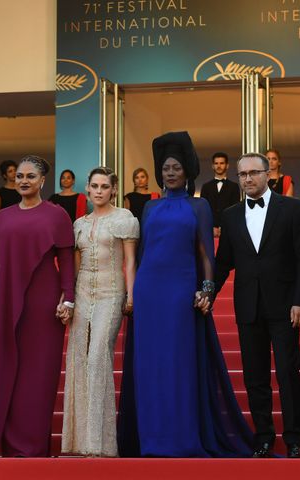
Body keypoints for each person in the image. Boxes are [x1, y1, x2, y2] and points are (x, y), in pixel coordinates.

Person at [117, 131, 253, 458]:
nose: (171, 172)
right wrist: (133, 293)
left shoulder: (200, 206)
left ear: (187, 171)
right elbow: (142, 253)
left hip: (181, 292)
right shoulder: (148, 208)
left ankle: (180, 436)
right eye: (165, 168)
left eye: (176, 167)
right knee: (150, 367)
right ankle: (149, 439)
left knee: (178, 364)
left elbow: (207, 253)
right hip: (149, 293)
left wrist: (207, 290)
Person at [0, 155, 75, 457]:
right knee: (6, 370)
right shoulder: (4, 217)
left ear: (42, 180)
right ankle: (7, 444)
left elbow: (66, 261)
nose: (24, 181)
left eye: (31, 176)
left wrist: (69, 296)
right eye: (20, 176)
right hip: (6, 301)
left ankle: (33, 446)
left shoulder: (57, 215)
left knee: (38, 376)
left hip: (43, 305)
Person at [215, 152, 300, 459]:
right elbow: (223, 263)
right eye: (242, 175)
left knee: (287, 372)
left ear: (268, 174)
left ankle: (295, 439)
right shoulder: (230, 215)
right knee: (254, 377)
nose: (247, 179)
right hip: (248, 306)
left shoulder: (292, 208)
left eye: (253, 173)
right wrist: (207, 291)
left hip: (285, 306)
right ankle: (264, 437)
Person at [62, 167, 138, 457]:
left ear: (113, 190)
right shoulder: (79, 223)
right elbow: (76, 266)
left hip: (111, 293)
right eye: (94, 186)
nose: (98, 191)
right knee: (78, 358)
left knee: (97, 358)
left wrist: (131, 294)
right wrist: (67, 299)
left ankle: (101, 443)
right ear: (87, 189)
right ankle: (78, 442)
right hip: (82, 294)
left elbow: (129, 262)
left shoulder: (125, 219)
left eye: (104, 186)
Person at [199, 152, 241, 237]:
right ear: (212, 166)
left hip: (229, 229)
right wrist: (211, 226)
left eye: (222, 163)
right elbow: (203, 210)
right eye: (216, 163)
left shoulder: (234, 186)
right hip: (209, 230)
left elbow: (235, 209)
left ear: (227, 165)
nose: (219, 166)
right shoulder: (206, 187)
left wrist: (225, 226)